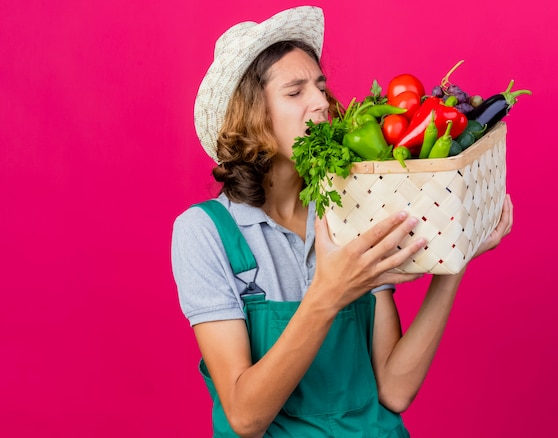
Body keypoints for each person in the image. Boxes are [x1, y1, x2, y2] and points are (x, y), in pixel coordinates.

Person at [172, 6, 513, 437]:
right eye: (295, 92)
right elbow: (244, 416)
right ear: (251, 117)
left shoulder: (356, 204)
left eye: (320, 85)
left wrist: (453, 258)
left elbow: (394, 389)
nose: (321, 102)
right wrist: (330, 292)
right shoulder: (205, 233)